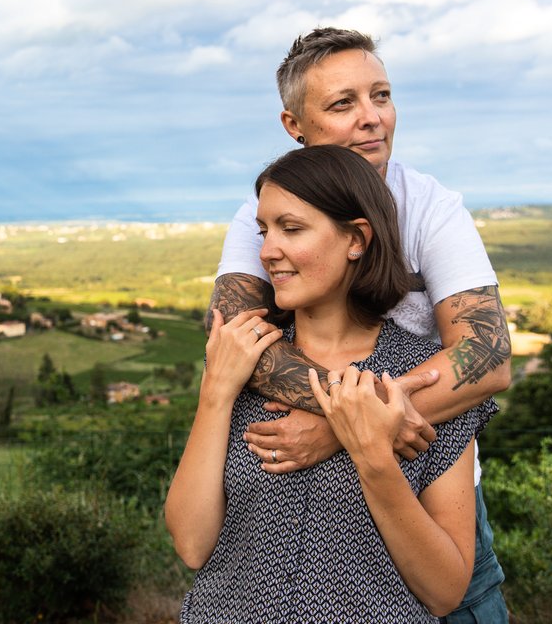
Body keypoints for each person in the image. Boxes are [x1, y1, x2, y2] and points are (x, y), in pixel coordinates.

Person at [210, 27, 511, 622]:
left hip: (430, 489)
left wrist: (352, 426)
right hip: (294, 492)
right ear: (294, 125)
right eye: (343, 103)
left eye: (381, 96)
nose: (372, 118)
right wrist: (360, 421)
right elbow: (238, 342)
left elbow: (489, 357)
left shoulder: (429, 206)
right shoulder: (264, 214)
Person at [166, 145, 498, 622]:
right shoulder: (246, 361)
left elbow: (445, 591)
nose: (267, 251)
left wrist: (369, 453)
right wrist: (216, 392)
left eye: (291, 228)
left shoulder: (421, 378)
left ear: (356, 239)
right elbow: (192, 544)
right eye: (264, 231)